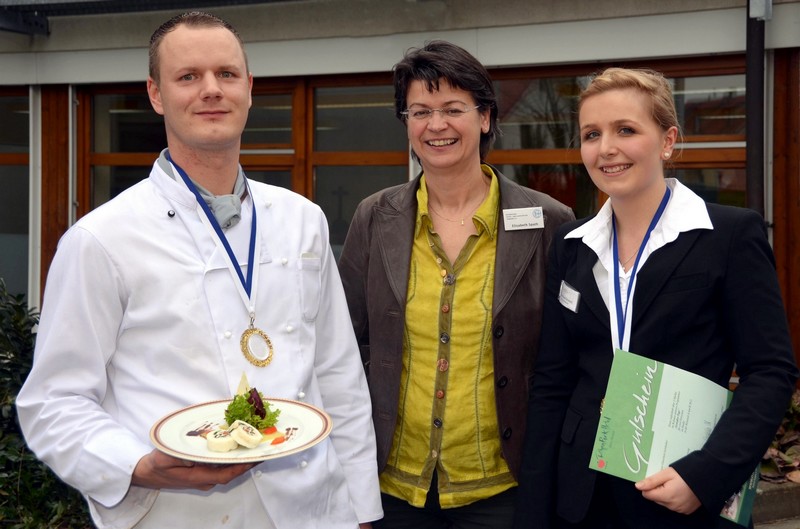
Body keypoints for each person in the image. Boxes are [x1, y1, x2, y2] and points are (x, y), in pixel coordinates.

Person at [16, 11, 382, 529]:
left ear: (249, 89)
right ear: (156, 94)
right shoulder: (99, 240)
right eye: (188, 77)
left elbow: (338, 372)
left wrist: (361, 509)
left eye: (226, 74)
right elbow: (54, 401)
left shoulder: (304, 220)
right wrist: (138, 466)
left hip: (313, 509)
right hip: (178, 514)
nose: (211, 90)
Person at [513, 67, 799, 529]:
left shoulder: (727, 235)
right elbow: (552, 384)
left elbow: (770, 372)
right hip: (580, 498)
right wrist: (533, 513)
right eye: (592, 134)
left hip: (680, 490)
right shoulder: (571, 245)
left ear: (667, 141)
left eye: (626, 129)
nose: (606, 148)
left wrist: (706, 475)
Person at [337, 40, 575, 529]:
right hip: (392, 486)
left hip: (502, 486)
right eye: (420, 110)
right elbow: (345, 345)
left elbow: (563, 359)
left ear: (485, 117)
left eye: (452, 108)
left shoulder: (549, 221)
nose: (436, 125)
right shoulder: (374, 217)